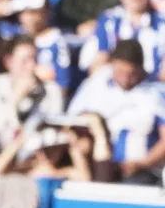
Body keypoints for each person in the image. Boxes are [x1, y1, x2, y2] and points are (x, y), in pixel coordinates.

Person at [67, 39, 165, 186]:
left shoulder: (156, 93)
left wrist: (143, 163)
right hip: (97, 166)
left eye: (131, 74)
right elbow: (72, 120)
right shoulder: (96, 85)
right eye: (120, 72)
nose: (125, 79)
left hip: (141, 173)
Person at [0, 34, 65, 154]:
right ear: (9, 62)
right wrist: (15, 98)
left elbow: (52, 130)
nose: (31, 67)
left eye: (34, 59)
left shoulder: (51, 90)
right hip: (0, 152)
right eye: (24, 61)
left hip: (36, 153)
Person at [80, 0, 165, 76]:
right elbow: (96, 65)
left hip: (153, 88)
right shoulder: (108, 21)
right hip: (115, 88)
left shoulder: (162, 22)